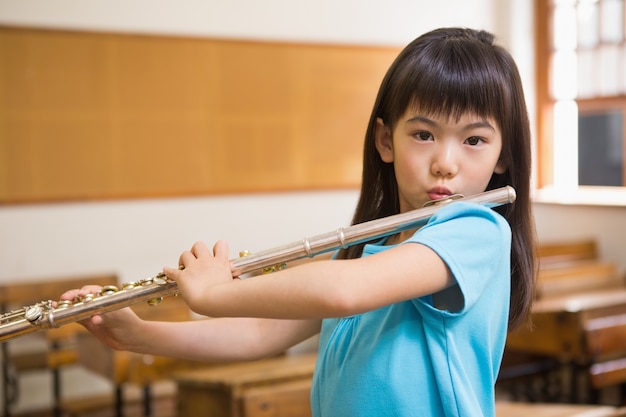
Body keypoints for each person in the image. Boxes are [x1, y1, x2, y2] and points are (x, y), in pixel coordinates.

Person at [62, 27, 536, 417]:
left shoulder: (477, 230)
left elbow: (344, 292)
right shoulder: (376, 242)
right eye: (423, 134)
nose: (445, 163)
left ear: (503, 156)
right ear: (386, 141)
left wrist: (215, 293)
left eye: (473, 140)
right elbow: (261, 333)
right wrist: (141, 335)